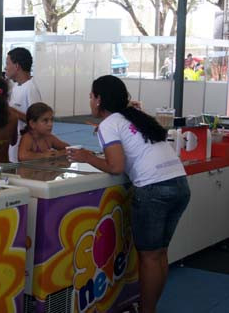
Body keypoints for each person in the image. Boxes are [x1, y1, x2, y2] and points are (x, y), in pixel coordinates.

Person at [66, 75, 190, 313]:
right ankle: (149, 307)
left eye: (91, 96)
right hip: (179, 185)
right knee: (159, 254)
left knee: (150, 257)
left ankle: (146, 310)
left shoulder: (110, 123)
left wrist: (86, 157)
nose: (90, 101)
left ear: (100, 99)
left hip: (153, 189)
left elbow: (116, 166)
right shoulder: (134, 118)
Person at [5, 47, 42, 162]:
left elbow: (38, 122)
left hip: (24, 152)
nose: (5, 68)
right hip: (13, 148)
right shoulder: (16, 86)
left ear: (17, 66)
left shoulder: (31, 89)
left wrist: (11, 111)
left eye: (7, 64)